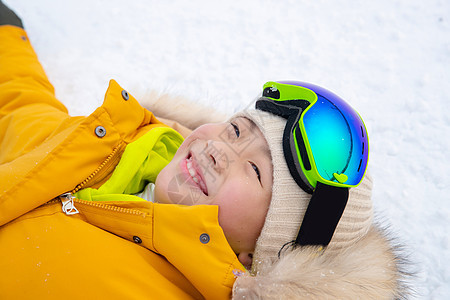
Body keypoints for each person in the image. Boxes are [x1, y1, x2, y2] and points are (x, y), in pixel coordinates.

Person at [0, 2, 409, 299]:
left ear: (258, 253)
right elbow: (22, 106)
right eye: (235, 129)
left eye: (255, 172)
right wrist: (6, 34)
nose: (219, 150)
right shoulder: (111, 148)